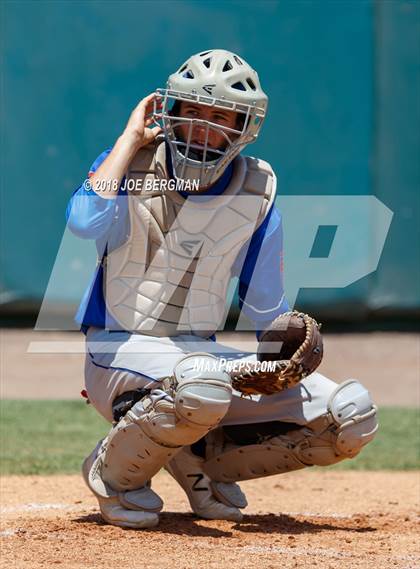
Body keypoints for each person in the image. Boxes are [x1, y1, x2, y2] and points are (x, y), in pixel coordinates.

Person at [66, 49, 378, 529]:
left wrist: (282, 350)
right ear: (169, 111)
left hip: (198, 358)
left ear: (243, 126)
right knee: (203, 382)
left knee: (349, 416)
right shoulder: (127, 164)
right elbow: (84, 223)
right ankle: (114, 476)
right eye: (191, 109)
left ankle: (203, 463)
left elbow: (265, 308)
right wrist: (129, 139)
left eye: (219, 116)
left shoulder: (257, 191)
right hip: (118, 350)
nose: (204, 125)